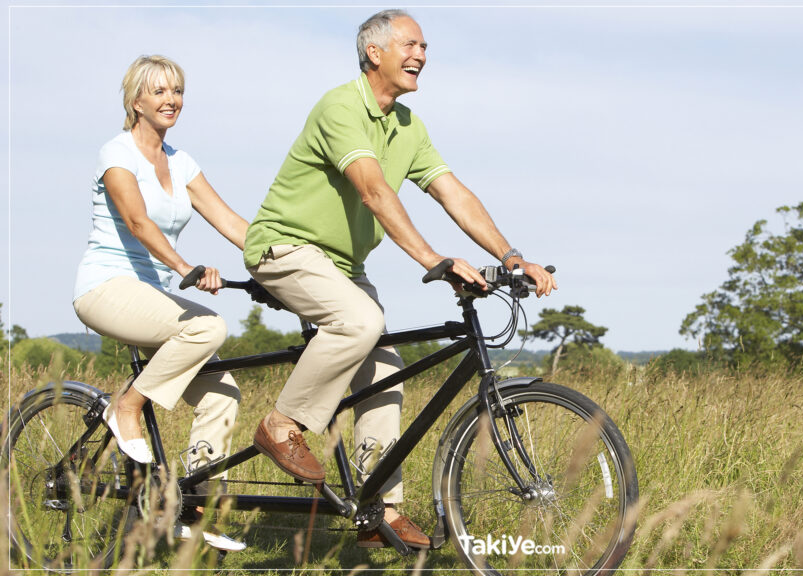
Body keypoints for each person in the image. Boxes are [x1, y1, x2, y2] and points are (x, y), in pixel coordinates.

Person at [242, 9, 557, 550]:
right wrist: (434, 258)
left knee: (386, 368)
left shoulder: (408, 125)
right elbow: (373, 191)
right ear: (374, 53)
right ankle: (280, 424)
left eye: (425, 46)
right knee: (359, 321)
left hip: (344, 266)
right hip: (285, 247)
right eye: (410, 44)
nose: (421, 55)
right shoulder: (341, 106)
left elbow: (451, 191)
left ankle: (377, 511)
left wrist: (510, 255)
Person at [72, 55, 247, 552]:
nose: (171, 99)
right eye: (160, 91)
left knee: (222, 393)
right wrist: (187, 266)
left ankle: (190, 509)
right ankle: (126, 408)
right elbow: (137, 222)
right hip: (105, 287)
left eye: (177, 91)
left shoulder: (182, 161)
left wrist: (283, 262)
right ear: (136, 101)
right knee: (207, 327)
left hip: (151, 294)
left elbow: (232, 222)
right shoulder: (117, 153)